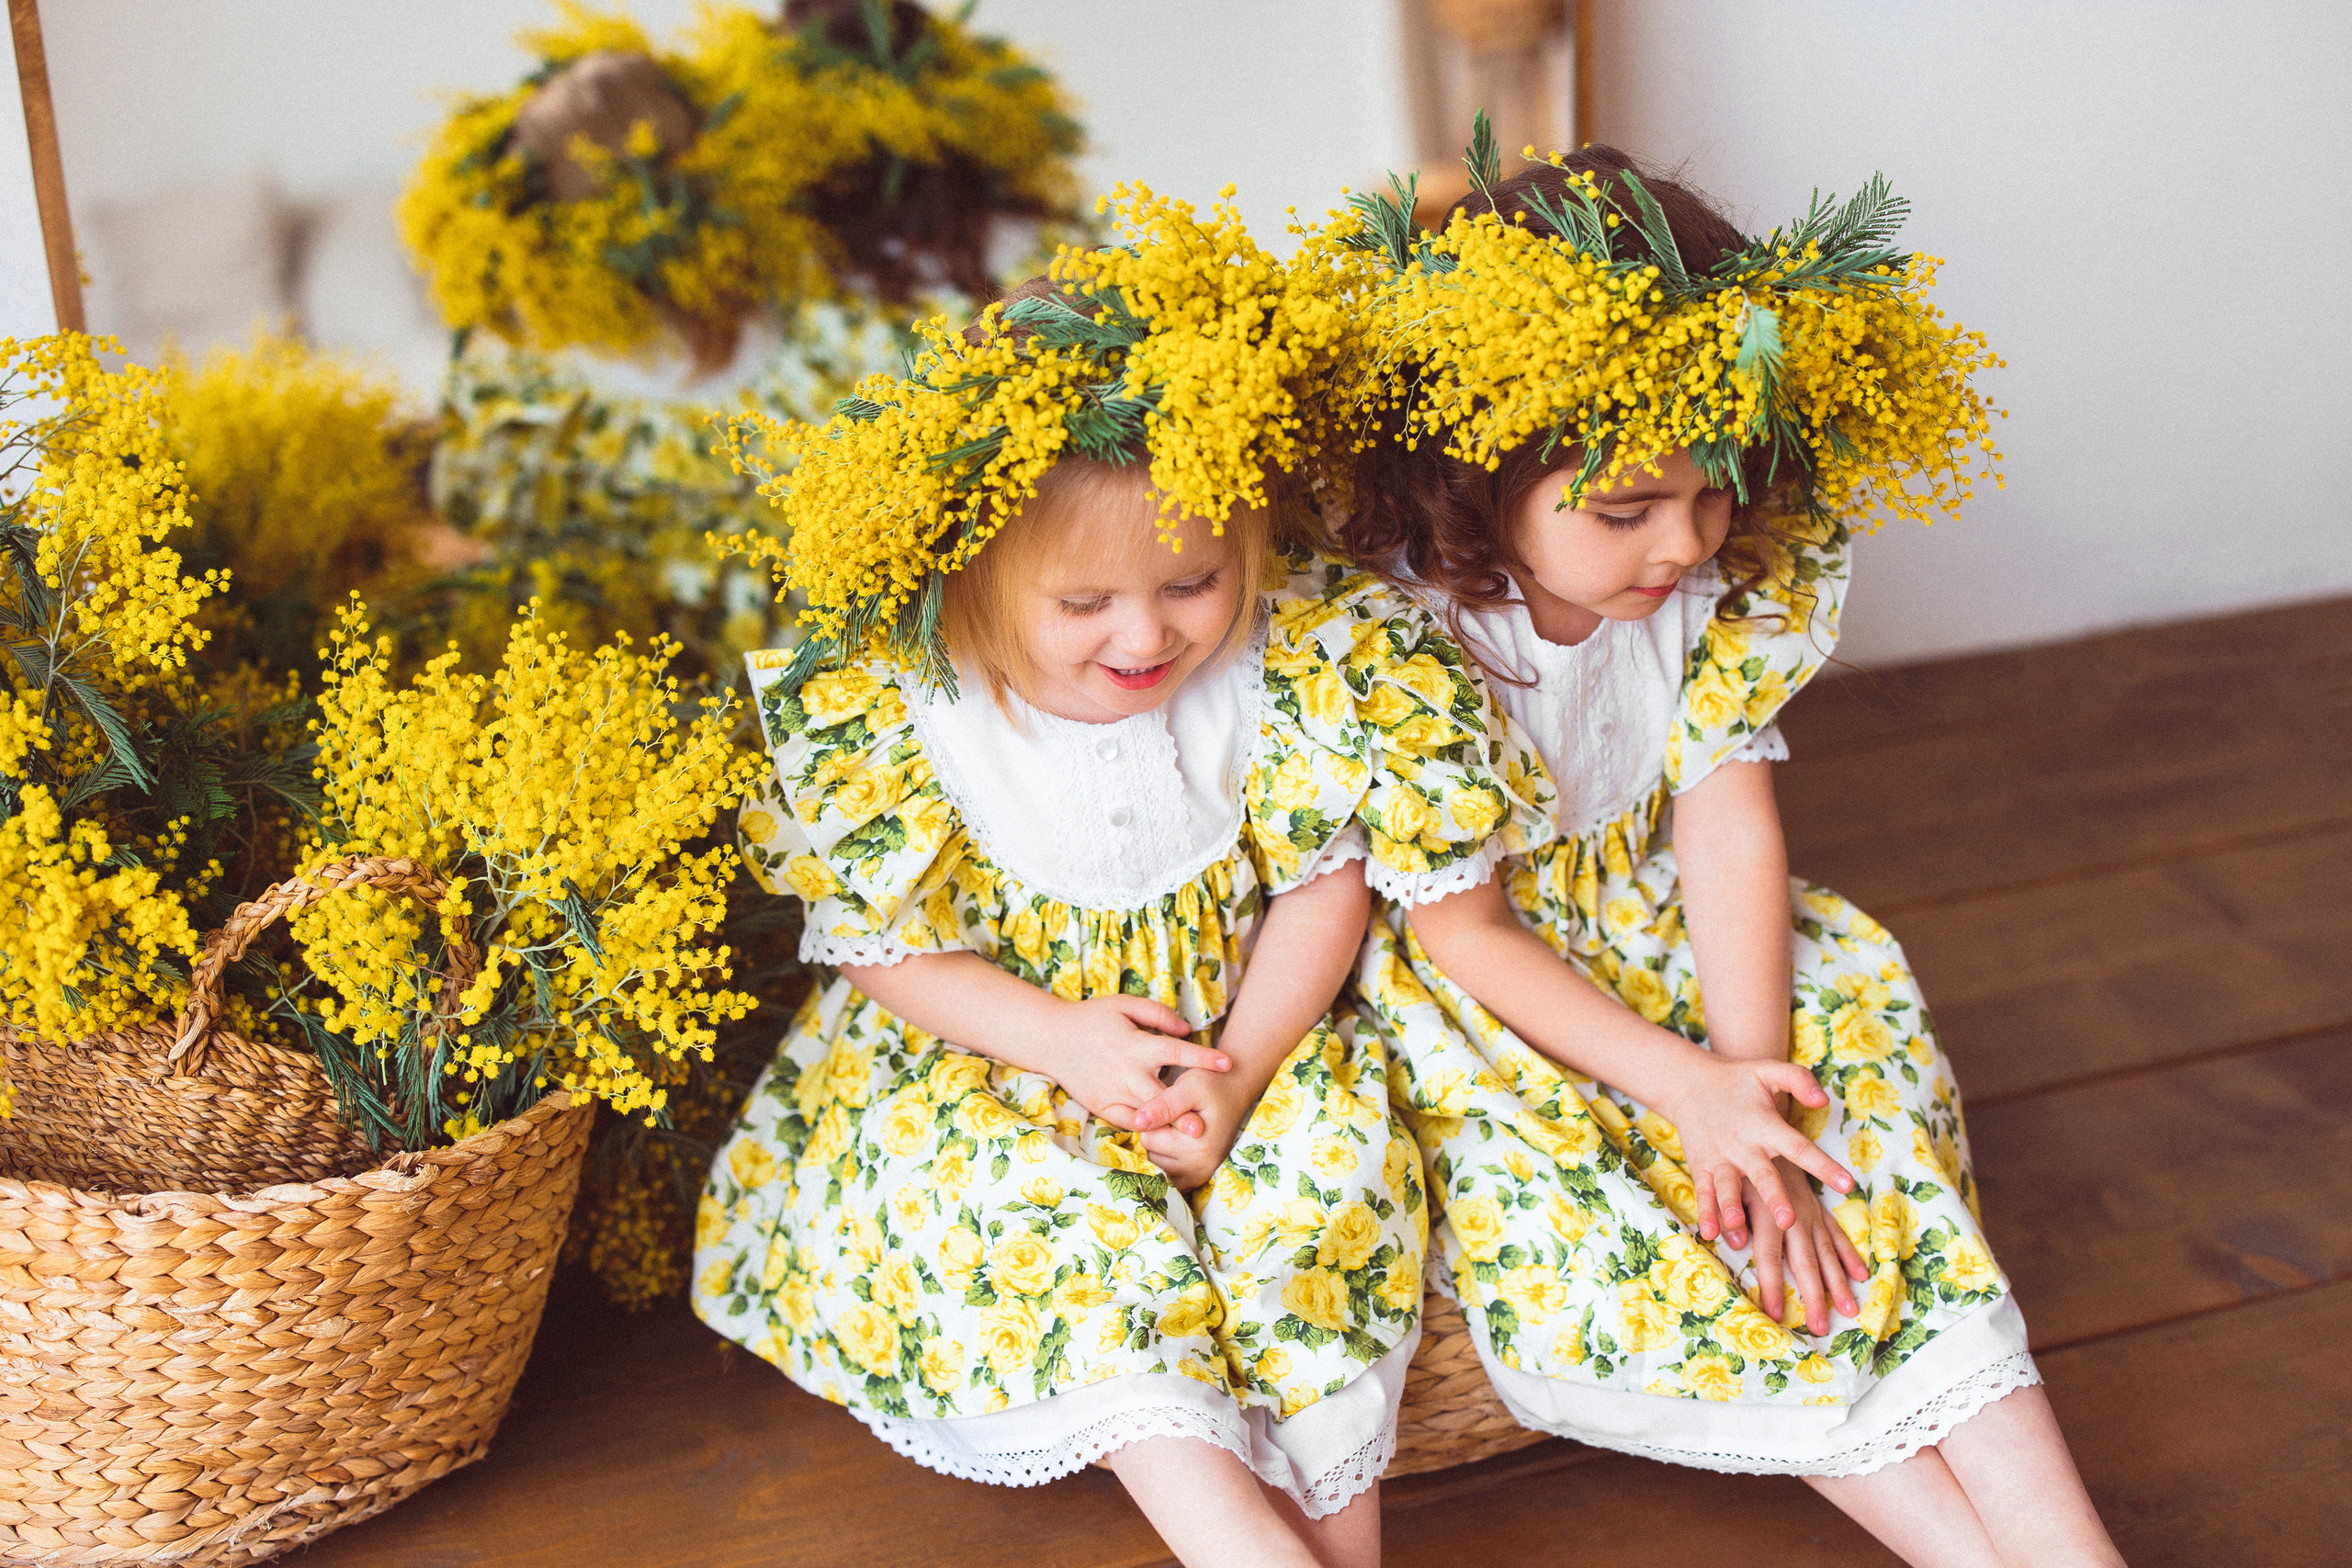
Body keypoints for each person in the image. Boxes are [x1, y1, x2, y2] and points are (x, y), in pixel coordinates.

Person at [695, 186, 1548, 1567]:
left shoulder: (1283, 675)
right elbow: (879, 943)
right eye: (1083, 604)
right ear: (971, 578)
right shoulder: (911, 709)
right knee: (1049, 1227)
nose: (1148, 634)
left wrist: (1247, 1066)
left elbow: (1321, 886)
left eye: (1195, 582)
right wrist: (1058, 1041)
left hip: (1241, 1033)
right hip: (997, 1055)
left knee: (1324, 1187)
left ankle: (1344, 1532)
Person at [1329, 142, 2126, 1565]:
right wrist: (1683, 1085)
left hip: (1674, 925)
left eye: (1709, 495)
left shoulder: (1714, 585)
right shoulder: (1405, 649)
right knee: (1669, 1217)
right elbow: (1465, 931)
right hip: (1497, 995)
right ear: (1471, 474)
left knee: (1843, 1152)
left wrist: (1755, 1085)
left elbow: (1725, 817)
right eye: (1627, 508)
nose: (1685, 544)